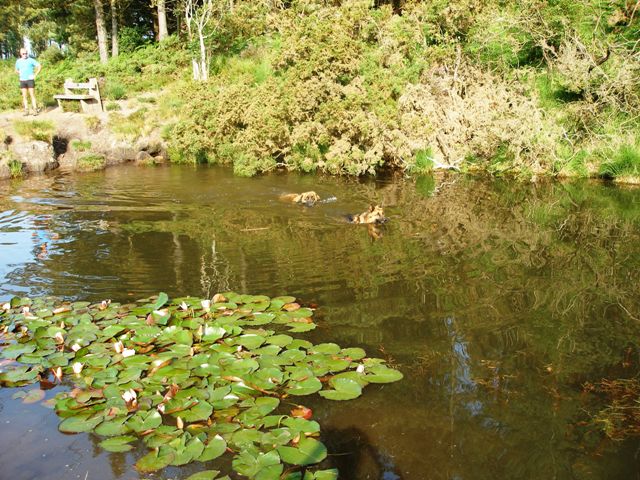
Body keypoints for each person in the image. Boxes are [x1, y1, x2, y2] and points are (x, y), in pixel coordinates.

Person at [15, 48, 42, 116]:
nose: (25, 55)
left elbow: (39, 66)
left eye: (26, 53)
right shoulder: (18, 61)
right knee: (24, 96)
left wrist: (35, 74)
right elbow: (16, 70)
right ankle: (26, 110)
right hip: (22, 80)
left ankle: (35, 110)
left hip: (30, 80)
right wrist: (19, 72)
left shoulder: (31, 60)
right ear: (21, 54)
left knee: (32, 95)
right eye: (23, 53)